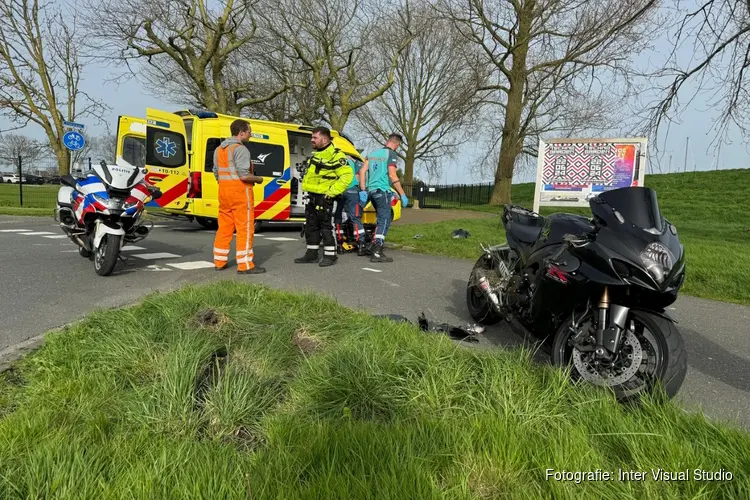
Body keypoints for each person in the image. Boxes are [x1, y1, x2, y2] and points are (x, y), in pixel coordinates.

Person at [212, 119, 266, 274]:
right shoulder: (241, 150)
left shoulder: (219, 150)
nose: (251, 134)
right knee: (245, 228)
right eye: (249, 131)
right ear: (241, 132)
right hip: (240, 193)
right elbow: (244, 176)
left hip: (224, 192)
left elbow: (217, 172)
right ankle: (245, 265)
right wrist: (259, 179)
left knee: (224, 228)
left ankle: (219, 261)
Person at [294, 126, 353, 267]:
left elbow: (347, 176)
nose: (312, 140)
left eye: (315, 137)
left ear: (325, 139)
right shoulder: (317, 154)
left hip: (326, 198)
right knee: (311, 226)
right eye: (312, 137)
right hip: (312, 196)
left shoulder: (336, 155)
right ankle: (312, 254)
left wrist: (331, 193)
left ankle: (330, 255)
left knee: (326, 227)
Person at [358, 133, 408, 263]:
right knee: (384, 221)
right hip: (383, 191)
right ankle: (377, 252)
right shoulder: (391, 154)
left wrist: (363, 189)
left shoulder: (373, 154)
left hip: (371, 191)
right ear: (397, 144)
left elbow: (363, 171)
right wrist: (402, 194)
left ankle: (372, 245)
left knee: (380, 220)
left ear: (387, 141)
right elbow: (392, 175)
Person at [333, 154, 367, 256]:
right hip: (352, 191)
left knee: (337, 217)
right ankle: (361, 245)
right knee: (355, 217)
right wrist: (362, 190)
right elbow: (358, 176)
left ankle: (339, 245)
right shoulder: (354, 162)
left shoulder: (335, 159)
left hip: (339, 190)